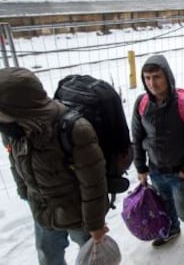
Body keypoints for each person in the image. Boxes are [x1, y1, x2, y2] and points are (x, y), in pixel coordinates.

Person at [0, 67, 109, 265]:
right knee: (48, 255)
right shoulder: (12, 130)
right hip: (42, 211)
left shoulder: (75, 129)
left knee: (92, 258)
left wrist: (95, 223)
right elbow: (14, 163)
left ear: (19, 107)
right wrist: (25, 192)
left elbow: (94, 183)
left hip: (78, 215)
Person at [131, 54, 184, 261]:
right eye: (147, 78)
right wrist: (141, 167)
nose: (152, 83)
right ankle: (172, 230)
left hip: (179, 173)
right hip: (155, 170)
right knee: (165, 205)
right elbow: (137, 137)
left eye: (157, 77)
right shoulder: (142, 103)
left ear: (168, 77)